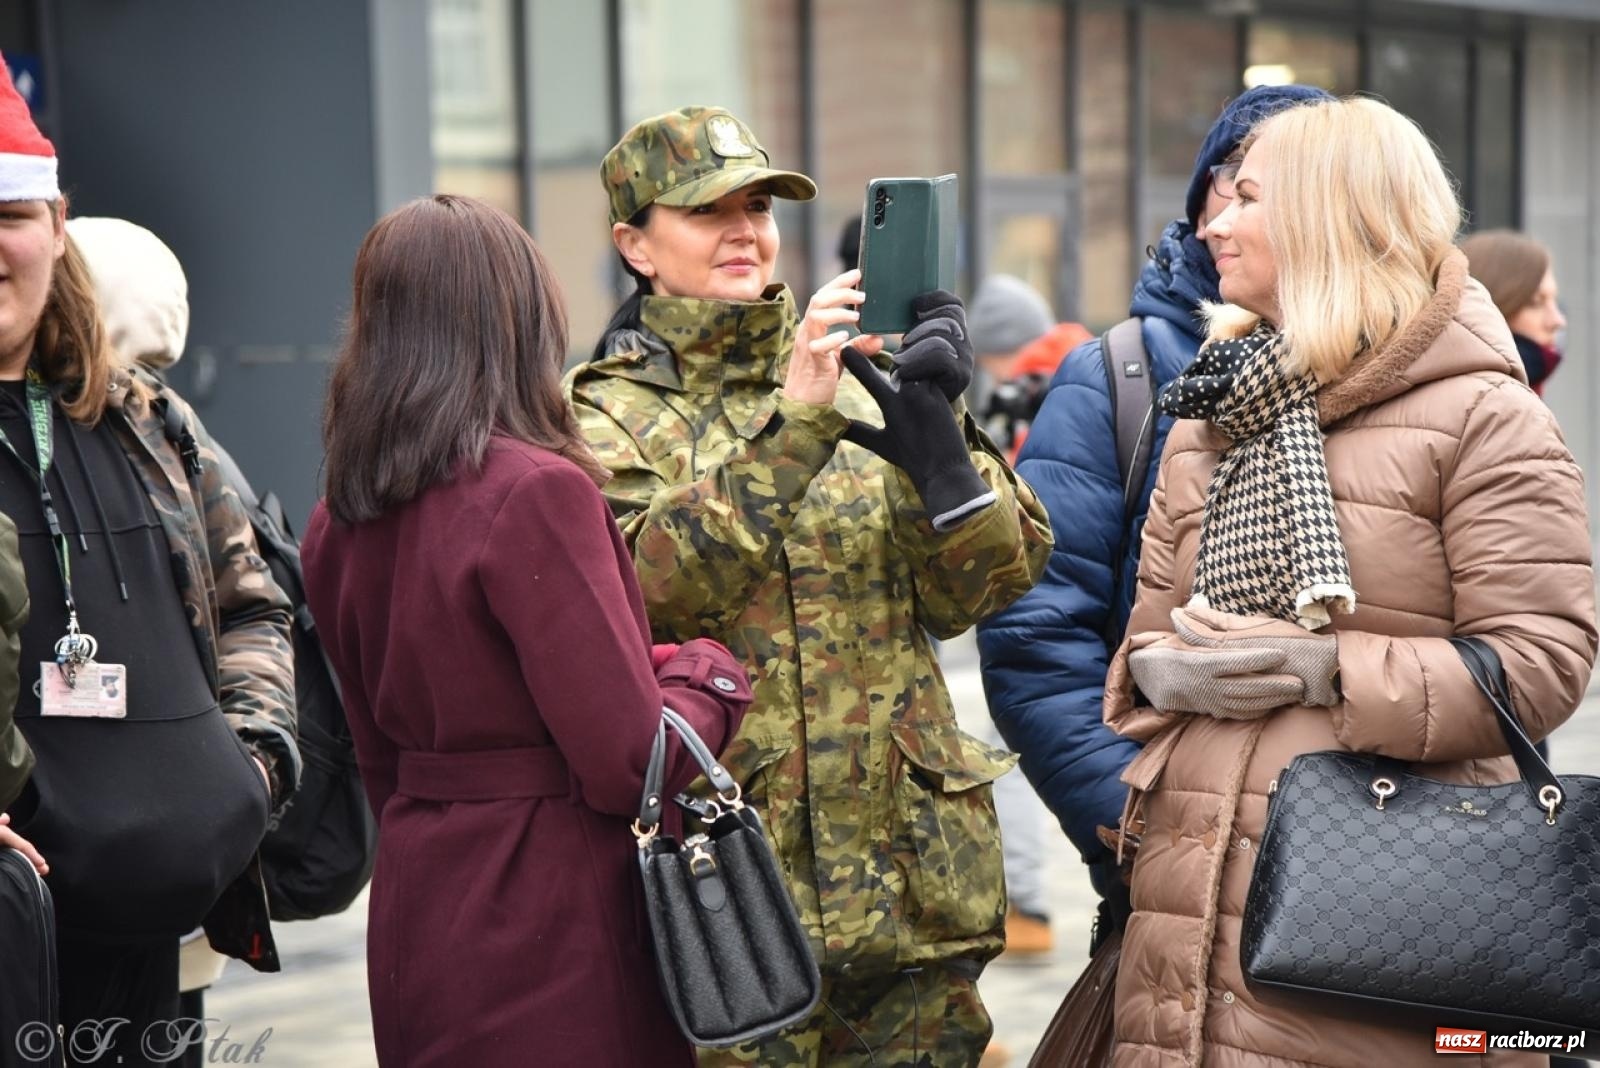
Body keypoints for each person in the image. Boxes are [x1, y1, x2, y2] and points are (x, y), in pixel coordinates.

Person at [1102, 95, 1595, 1066]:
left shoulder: (1483, 417)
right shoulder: (1214, 410)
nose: (1211, 223)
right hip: (1179, 943)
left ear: (1337, 215)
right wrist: (1167, 675)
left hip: (1381, 947)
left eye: (1244, 197)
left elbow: (1540, 667)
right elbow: (1142, 649)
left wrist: (1324, 668)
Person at [569, 105, 1053, 1066]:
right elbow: (645, 594)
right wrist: (794, 423)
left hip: (912, 890)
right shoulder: (598, 416)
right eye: (707, 211)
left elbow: (993, 584)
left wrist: (943, 447)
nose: (745, 230)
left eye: (759, 204)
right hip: (740, 898)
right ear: (636, 246)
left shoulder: (860, 367)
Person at [300, 194, 754, 1068]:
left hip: (420, 903)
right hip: (554, 910)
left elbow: (374, 755)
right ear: (517, 321)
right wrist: (707, 676)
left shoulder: (340, 516)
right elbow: (630, 762)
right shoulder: (536, 492)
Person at [976, 84, 1329, 943]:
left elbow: (1521, 648)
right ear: (1204, 196)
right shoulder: (1121, 378)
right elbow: (1036, 640)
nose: (1242, 210)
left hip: (1380, 879)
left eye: (1281, 183)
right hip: (1172, 880)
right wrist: (1138, 832)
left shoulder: (1422, 376)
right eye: (1237, 181)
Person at [0, 56, 299, 1066]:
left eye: (9, 215)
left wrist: (250, 767)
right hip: (15, 938)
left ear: (55, 227)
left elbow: (252, 597)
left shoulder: (145, 420)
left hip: (164, 941)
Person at [1459, 229, 1568, 396]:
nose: (1557, 321)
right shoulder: (1494, 402)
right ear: (1493, 305)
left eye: (1555, 302)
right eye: (1536, 303)